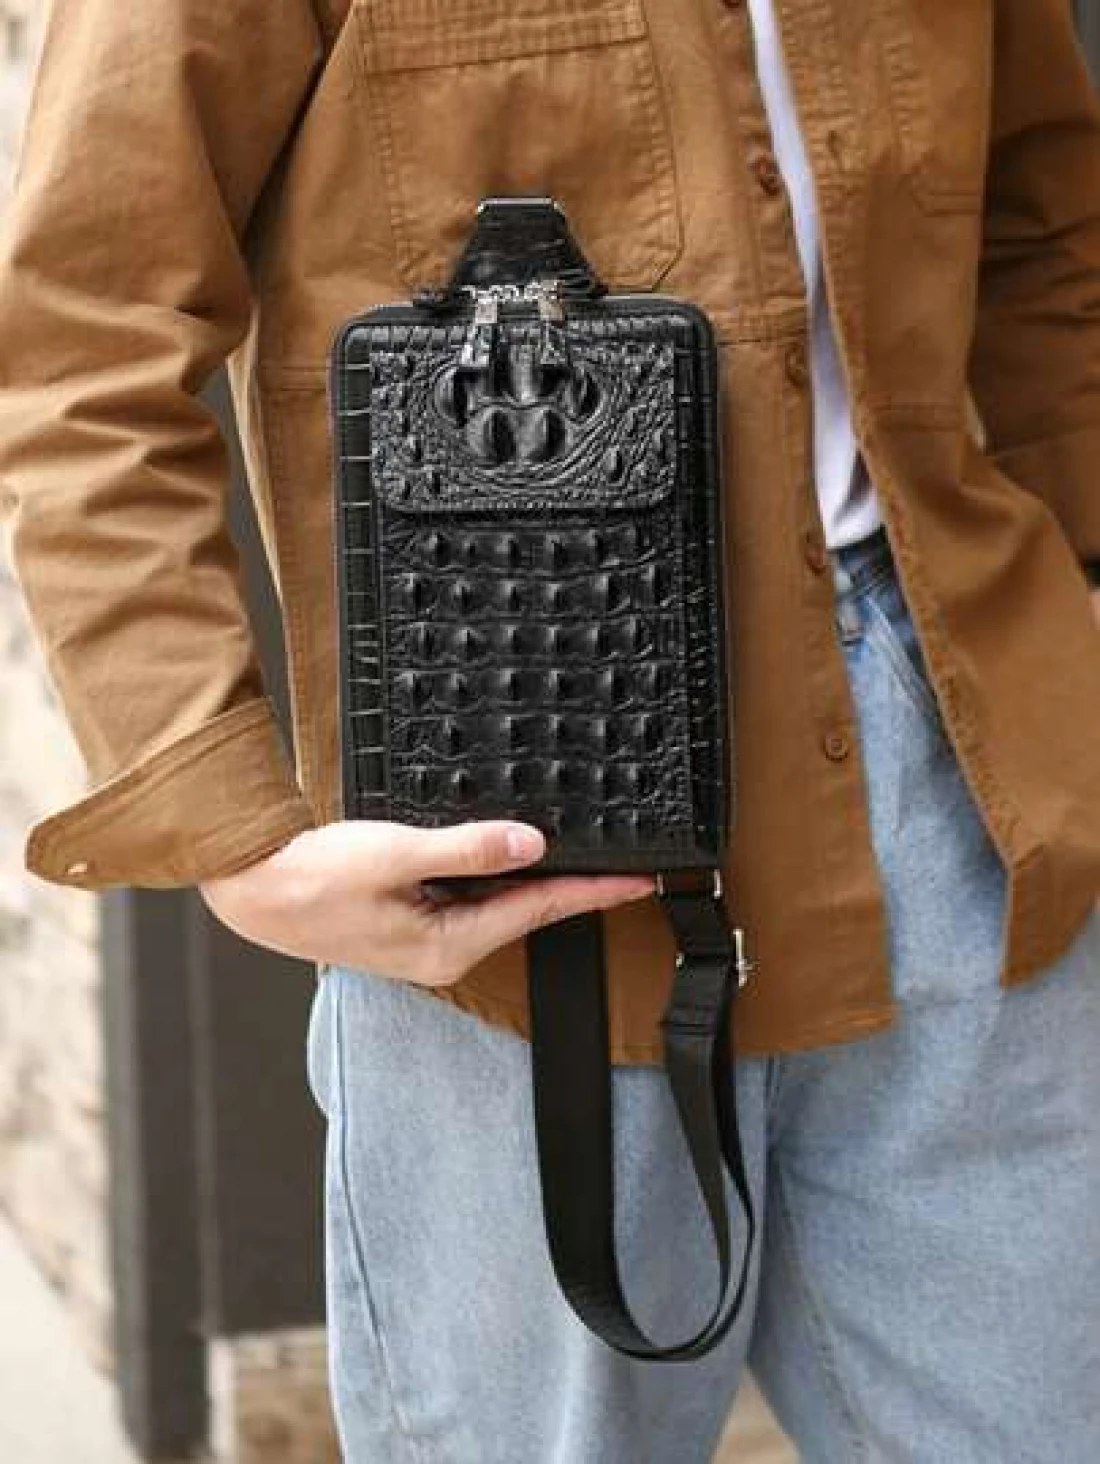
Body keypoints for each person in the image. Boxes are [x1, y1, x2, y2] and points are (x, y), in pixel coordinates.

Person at [3, 0, 1100, 1458]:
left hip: (970, 775)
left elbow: (1049, 235)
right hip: (510, 813)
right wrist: (224, 825)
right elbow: (82, 341)